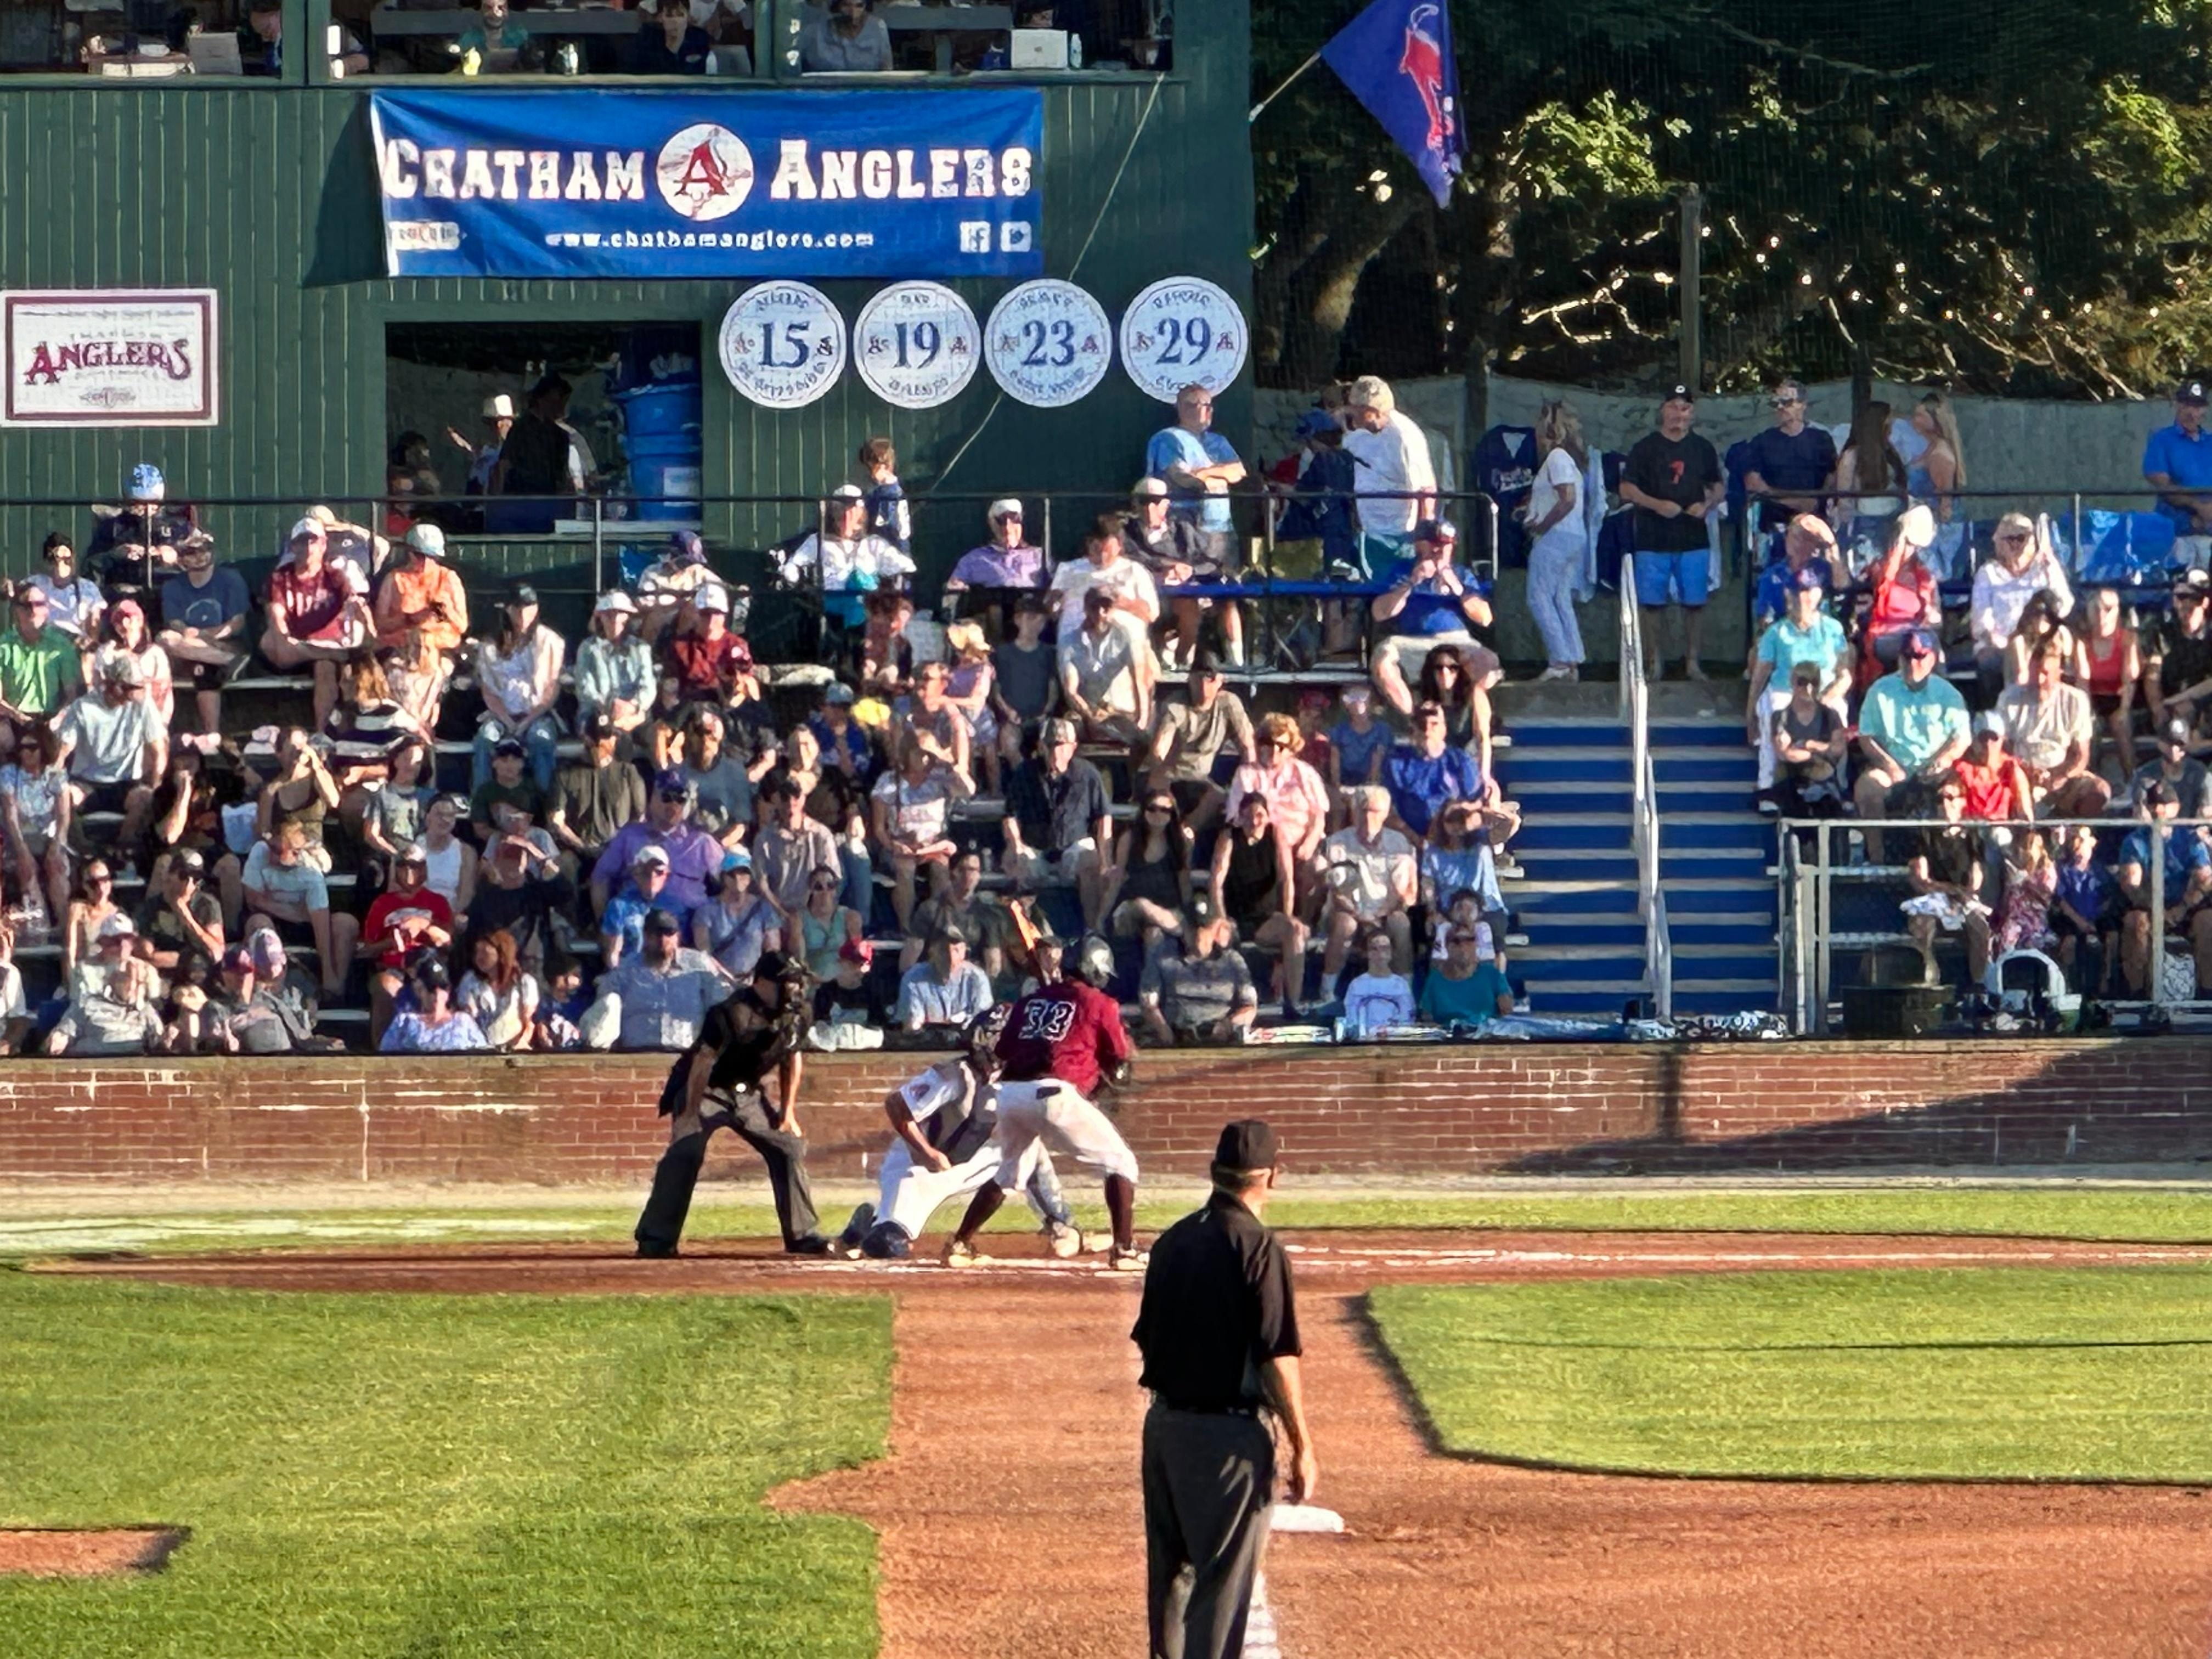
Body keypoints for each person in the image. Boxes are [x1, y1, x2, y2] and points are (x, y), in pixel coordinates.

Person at [1132, 1118, 1314, 1659]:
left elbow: (1148, 1338)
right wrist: (1302, 1443)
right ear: (1273, 1177)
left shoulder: (1173, 1241)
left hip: (1164, 1430)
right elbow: (1278, 1355)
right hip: (1225, 1443)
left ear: (1215, 1173)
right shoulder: (1259, 1248)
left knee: (1169, 1580)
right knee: (1221, 1586)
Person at [940, 932, 1146, 1270]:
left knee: (1010, 1174)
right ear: (1097, 969)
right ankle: (1124, 1250)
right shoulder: (1100, 1003)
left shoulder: (1032, 1000)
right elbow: (1121, 1059)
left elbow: (1004, 1051)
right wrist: (1099, 1084)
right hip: (1054, 1092)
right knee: (1121, 1163)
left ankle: (960, 1243)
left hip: (1010, 1095)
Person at [835, 1008, 1092, 1261]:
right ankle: (867, 1223)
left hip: (967, 1161)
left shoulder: (1015, 1080)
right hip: (919, 1167)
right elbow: (896, 1105)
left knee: (1029, 1149)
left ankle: (1060, 1226)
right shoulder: (956, 1075)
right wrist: (927, 1152)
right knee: (886, 1246)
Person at [633, 952, 831, 1256]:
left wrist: (788, 1111)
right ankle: (656, 1239)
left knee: (787, 1147)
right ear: (763, 983)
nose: (793, 989)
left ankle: (802, 1234)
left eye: (796, 982)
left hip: (747, 1092)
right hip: (705, 1088)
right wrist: (688, 1113)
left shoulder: (798, 1013)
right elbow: (702, 1062)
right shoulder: (731, 1013)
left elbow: (793, 1057)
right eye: (785, 982)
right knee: (686, 1151)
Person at [1617, 384, 1724, 680]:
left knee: (1695, 605)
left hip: (1693, 538)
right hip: (1653, 537)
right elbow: (1626, 488)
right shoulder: (1645, 447)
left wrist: (1707, 504)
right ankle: (1655, 663)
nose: (1680, 413)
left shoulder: (1702, 448)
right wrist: (1657, 505)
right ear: (1663, 410)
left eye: (1686, 408)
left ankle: (1692, 663)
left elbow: (1718, 486)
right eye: (1675, 407)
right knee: (1652, 605)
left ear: (1693, 413)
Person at [1367, 518, 1500, 746]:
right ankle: (1416, 720)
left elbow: (1485, 618)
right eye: (1434, 543)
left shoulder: (1462, 574)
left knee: (1489, 663)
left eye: (1447, 544)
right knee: (1382, 662)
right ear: (1419, 545)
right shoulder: (1403, 570)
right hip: (1411, 640)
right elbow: (1380, 613)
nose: (1440, 549)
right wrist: (1412, 582)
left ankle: (1474, 730)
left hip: (1455, 640)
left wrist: (1457, 587)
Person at [1852, 629, 1971, 861]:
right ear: (1899, 658)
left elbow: (1962, 738)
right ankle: (1878, 863)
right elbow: (1866, 737)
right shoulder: (1880, 691)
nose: (1912, 662)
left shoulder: (1949, 694)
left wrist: (1943, 760)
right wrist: (1889, 765)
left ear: (1933, 658)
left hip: (1938, 771)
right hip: (1893, 769)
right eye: (1907, 656)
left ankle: (1949, 862)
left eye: (1919, 656)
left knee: (1952, 794)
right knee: (1868, 787)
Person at [1747, 569, 1851, 804]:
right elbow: (1760, 676)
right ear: (1788, 595)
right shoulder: (1776, 633)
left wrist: (1824, 699)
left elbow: (1845, 675)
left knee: (1840, 712)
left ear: (1818, 595)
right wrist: (1749, 712)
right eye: (1797, 592)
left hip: (1824, 691)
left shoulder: (1833, 629)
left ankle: (1840, 784)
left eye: (1808, 592)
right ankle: (1768, 786)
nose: (1803, 598)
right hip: (1786, 690)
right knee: (1772, 708)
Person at [1001, 716, 1114, 928]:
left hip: (1073, 844)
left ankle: (1094, 930)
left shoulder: (1088, 774)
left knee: (1091, 861)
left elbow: (1103, 816)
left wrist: (1105, 860)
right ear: (1041, 747)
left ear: (1073, 747)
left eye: (1062, 745)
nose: (1056, 751)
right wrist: (1015, 845)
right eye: (1051, 744)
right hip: (1034, 847)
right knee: (1016, 864)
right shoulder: (1025, 773)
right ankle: (1023, 933)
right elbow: (1010, 816)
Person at [259, 518, 371, 729]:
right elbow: (276, 614)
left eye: (314, 541)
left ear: (324, 545)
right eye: (302, 542)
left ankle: (322, 733)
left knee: (325, 667)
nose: (309, 548)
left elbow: (352, 605)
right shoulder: (280, 578)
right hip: (296, 641)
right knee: (270, 642)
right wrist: (283, 637)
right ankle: (328, 656)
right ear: (293, 547)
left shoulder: (336, 576)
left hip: (327, 641)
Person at [1144, 385, 1246, 610]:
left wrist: (1205, 474)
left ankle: (1235, 645)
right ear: (1183, 408)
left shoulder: (1218, 441)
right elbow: (1182, 478)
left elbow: (1238, 471)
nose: (1208, 412)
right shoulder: (1168, 439)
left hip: (1221, 531)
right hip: (1184, 529)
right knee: (1186, 598)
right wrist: (1216, 476)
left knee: (1227, 597)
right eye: (1201, 406)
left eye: (1210, 406)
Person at [1125, 476, 1241, 672]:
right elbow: (1130, 561)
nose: (1150, 508)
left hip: (1189, 590)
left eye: (1156, 502)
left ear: (1166, 504)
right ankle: (1181, 663)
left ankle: (1237, 661)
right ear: (1136, 504)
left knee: (1227, 598)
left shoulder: (1182, 529)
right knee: (1187, 603)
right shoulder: (1127, 533)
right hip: (1152, 594)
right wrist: (1166, 569)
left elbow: (1208, 561)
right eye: (1145, 502)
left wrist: (1189, 570)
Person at [52, 654, 163, 854]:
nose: (136, 692)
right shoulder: (83, 707)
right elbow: (63, 750)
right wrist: (55, 780)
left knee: (145, 798)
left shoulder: (143, 706)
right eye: (131, 687)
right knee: (64, 796)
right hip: (86, 782)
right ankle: (83, 851)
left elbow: (158, 750)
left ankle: (124, 851)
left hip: (126, 783)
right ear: (115, 685)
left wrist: (155, 785)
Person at [775, 484, 916, 637]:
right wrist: (793, 577)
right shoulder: (817, 541)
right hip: (833, 599)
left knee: (861, 582)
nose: (847, 515)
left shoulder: (873, 544)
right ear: (834, 513)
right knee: (855, 593)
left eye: (852, 510)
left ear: (861, 514)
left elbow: (906, 567)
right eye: (842, 510)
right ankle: (857, 637)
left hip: (870, 601)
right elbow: (794, 565)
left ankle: (861, 638)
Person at [590, 770, 725, 928]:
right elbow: (601, 877)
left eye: (680, 799)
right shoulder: (629, 836)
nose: (673, 805)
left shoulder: (702, 842)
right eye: (667, 797)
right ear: (652, 800)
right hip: (639, 918)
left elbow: (732, 879)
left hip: (688, 922)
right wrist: (604, 925)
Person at [1210, 791, 1306, 1012]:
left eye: (1260, 815)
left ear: (1268, 816)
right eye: (1249, 815)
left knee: (1296, 930)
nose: (1255, 821)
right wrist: (1221, 918)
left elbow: (1287, 879)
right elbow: (1216, 880)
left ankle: (1294, 1003)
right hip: (1236, 914)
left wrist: (1287, 915)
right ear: (1241, 816)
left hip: (1266, 918)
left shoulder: (1276, 835)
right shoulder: (1230, 837)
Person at [241, 820, 359, 996]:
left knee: (346, 924)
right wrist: (296, 913)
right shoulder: (260, 852)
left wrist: (267, 901)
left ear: (295, 853)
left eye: (278, 851)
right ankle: (267, 989)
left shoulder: (311, 872)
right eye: (271, 847)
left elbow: (320, 921)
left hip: (308, 925)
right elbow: (253, 900)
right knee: (259, 923)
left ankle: (334, 986)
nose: (271, 856)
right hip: (275, 920)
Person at [2118, 780, 2212, 996]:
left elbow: (2204, 879)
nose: (2158, 809)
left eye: (2164, 804)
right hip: (2150, 908)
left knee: (2208, 922)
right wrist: (2157, 911)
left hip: (2186, 907)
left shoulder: (2190, 839)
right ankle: (2138, 994)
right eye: (2153, 804)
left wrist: (2182, 908)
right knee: (2135, 923)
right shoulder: (2135, 841)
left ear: (2176, 807)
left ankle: (2207, 993)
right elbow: (2131, 885)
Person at [1997, 641, 2109, 818]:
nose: (2039, 680)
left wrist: (2061, 776)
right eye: (2035, 672)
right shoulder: (2009, 698)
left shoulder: (2075, 700)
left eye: (2045, 673)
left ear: (2060, 673)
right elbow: (2001, 749)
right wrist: (2025, 770)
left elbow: (2082, 755)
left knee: (2099, 791)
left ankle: (2078, 832)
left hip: (2061, 770)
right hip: (2021, 770)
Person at [1146, 652, 1255, 833]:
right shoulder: (1175, 704)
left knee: (1220, 796)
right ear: (1189, 680)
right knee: (1161, 802)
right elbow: (1159, 750)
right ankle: (1181, 836)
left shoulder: (1229, 704)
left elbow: (1248, 746)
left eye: (1210, 679)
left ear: (1220, 681)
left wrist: (1247, 784)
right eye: (1199, 679)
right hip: (1170, 777)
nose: (1204, 685)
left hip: (1200, 781)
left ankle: (1186, 833)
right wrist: (1162, 784)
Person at [1521, 398, 1591, 680]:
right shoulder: (1571, 460)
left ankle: (1559, 660)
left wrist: (1541, 526)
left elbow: (1567, 499)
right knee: (1561, 597)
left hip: (1557, 536)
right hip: (1574, 537)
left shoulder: (1557, 458)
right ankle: (1572, 658)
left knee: (1538, 597)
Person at [471, 584, 565, 794]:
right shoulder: (491, 644)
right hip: (501, 716)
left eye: (529, 608)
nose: (523, 614)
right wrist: (507, 721)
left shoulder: (549, 641)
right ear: (508, 609)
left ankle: (544, 807)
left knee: (541, 740)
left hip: (537, 715)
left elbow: (552, 690)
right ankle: (482, 807)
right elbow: (489, 691)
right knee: (484, 740)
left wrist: (525, 723)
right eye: (518, 608)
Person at [599, 907, 733, 1052]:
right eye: (656, 934)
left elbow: (721, 1008)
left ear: (678, 937)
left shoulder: (700, 966)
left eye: (669, 934)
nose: (663, 940)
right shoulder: (626, 970)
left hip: (686, 1052)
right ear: (645, 936)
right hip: (637, 1053)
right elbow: (604, 1009)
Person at [1970, 516, 2073, 706]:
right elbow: (1981, 620)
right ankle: (2016, 713)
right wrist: (1997, 638)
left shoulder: (2046, 568)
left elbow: (2064, 606)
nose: (2017, 544)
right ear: (1999, 542)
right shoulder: (1989, 573)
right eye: (2011, 539)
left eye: (2022, 538)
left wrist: (2050, 570)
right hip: (2001, 643)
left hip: (2041, 639)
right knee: (2009, 650)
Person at [1223, 714, 1330, 896]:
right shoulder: (1246, 774)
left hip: (1301, 845)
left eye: (1282, 746)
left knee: (1317, 867)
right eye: (1268, 743)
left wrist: (1309, 844)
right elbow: (1235, 817)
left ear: (1292, 749)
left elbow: (1319, 814)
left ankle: (1303, 920)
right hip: (1262, 847)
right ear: (1259, 744)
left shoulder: (1305, 773)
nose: (1274, 750)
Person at [1339, 374, 1437, 569]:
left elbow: (1427, 489)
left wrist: (1424, 537)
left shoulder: (1405, 437)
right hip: (1370, 532)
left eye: (1357, 409)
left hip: (1399, 537)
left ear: (1372, 411)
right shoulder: (1362, 436)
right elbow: (1348, 445)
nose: (1352, 413)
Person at [1319, 786, 1418, 978]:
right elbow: (1337, 893)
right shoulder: (1337, 843)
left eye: (1375, 812)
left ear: (1386, 813)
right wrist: (1359, 915)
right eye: (1363, 811)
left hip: (1387, 910)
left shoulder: (1400, 843)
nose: (1368, 818)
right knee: (1345, 924)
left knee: (1401, 923)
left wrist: (1381, 916)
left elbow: (1407, 892)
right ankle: (1327, 990)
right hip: (1348, 911)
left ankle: (1405, 987)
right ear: (1354, 812)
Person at [156, 534, 251, 733]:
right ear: (181, 559)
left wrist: (205, 636)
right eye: (191, 552)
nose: (199, 556)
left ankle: (212, 736)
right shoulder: (172, 587)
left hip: (227, 642)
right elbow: (177, 625)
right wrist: (200, 638)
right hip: (193, 648)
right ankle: (230, 661)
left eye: (204, 549)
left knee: (203, 669)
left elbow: (236, 623)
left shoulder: (230, 579)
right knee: (164, 639)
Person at [360, 843, 453, 1045]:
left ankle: (436, 1047)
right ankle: (381, 1049)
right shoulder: (382, 904)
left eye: (415, 865)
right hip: (394, 967)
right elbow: (365, 950)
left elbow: (448, 940)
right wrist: (389, 943)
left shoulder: (438, 903)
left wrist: (423, 926)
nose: (409, 871)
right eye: (403, 865)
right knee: (386, 986)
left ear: (425, 869)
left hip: (429, 966)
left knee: (435, 988)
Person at [1901, 775, 1991, 985]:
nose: (1945, 804)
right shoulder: (1925, 834)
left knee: (1981, 929)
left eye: (1951, 797)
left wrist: (1961, 895)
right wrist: (1950, 890)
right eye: (1940, 799)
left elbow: (1976, 880)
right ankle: (1928, 985)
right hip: (1934, 898)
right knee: (1922, 926)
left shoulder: (1973, 837)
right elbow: (1921, 880)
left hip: (1963, 898)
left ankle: (1978, 988)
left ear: (1962, 801)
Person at [546, 713, 646, 891]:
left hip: (620, 848)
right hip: (581, 847)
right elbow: (557, 821)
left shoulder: (628, 773)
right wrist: (582, 846)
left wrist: (618, 847)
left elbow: (640, 818)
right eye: (597, 739)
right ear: (587, 740)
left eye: (608, 738)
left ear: (615, 739)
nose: (603, 744)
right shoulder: (565, 775)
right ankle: (567, 916)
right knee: (564, 864)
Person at [1139, 897, 1256, 1044]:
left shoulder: (1233, 961)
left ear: (1215, 929)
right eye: (1193, 928)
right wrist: (1163, 1029)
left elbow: (1250, 1006)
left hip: (1221, 1036)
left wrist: (1228, 1025)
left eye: (1205, 928)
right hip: (1178, 1036)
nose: (1199, 935)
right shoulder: (1162, 956)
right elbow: (1148, 1003)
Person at [1740, 380, 1838, 547]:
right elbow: (1752, 481)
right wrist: (1791, 501)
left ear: (1803, 405)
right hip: (1775, 526)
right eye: (1776, 403)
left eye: (1786, 402)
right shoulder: (1763, 441)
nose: (1780, 408)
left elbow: (1833, 476)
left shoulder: (1821, 439)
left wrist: (1818, 500)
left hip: (1815, 525)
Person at [1383, 700, 1488, 840]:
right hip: (1411, 839)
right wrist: (1415, 839)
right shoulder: (1397, 763)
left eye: (1434, 724)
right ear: (1413, 729)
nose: (1427, 731)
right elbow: (1389, 810)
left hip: (1456, 835)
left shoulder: (1460, 760)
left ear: (1444, 729)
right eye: (1421, 725)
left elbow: (1475, 802)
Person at [1, 724, 73, 928]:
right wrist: (22, 850)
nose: (26, 753)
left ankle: (64, 928)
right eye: (23, 747)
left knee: (56, 868)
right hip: (19, 839)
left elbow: (63, 815)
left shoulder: (56, 775)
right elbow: (10, 815)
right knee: (27, 870)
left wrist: (57, 846)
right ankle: (39, 928)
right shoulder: (9, 774)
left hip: (50, 838)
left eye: (32, 747)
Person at [0, 585, 81, 759]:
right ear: (17, 610)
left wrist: (58, 718)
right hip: (13, 718)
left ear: (47, 609)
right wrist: (17, 716)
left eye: (39, 604)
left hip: (52, 718)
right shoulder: (3, 646)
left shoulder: (62, 645)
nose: (33, 610)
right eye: (27, 605)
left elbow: (70, 693)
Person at [944, 499, 1046, 627]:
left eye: (1015, 519)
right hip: (991, 611)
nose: (1008, 527)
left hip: (1029, 610)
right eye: (1002, 521)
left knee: (1028, 610)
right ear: (992, 524)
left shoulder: (1039, 556)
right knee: (994, 610)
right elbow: (953, 588)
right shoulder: (975, 558)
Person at [2076, 584, 2143, 776]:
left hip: (2119, 695)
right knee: (2088, 729)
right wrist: (2086, 714)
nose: (2101, 616)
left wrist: (2124, 709)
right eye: (2096, 609)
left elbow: (2130, 679)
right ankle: (2090, 780)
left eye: (2108, 610)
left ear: (2117, 612)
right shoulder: (2082, 641)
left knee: (2121, 725)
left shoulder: (2128, 639)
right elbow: (2082, 681)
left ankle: (2133, 779)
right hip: (2091, 696)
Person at [1831, 400, 1910, 563]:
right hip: (1866, 526)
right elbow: (1844, 499)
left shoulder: (1890, 451)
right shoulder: (1852, 456)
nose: (1892, 428)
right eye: (1889, 423)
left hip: (1894, 520)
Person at [2145, 378, 2212, 563]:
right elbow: (2162, 483)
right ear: (2178, 405)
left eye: (2198, 407)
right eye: (2188, 405)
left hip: (2209, 535)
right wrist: (2199, 508)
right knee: (2178, 587)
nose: (2193, 413)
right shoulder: (2162, 440)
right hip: (2178, 535)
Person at [132, 848, 224, 983]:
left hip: (198, 975)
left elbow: (216, 953)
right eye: (184, 876)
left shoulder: (207, 905)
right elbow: (146, 955)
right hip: (159, 977)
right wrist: (186, 958)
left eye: (196, 878)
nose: (190, 883)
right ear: (169, 876)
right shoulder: (150, 907)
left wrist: (186, 916)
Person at [2053, 821, 2121, 995]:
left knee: (2112, 936)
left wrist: (2095, 918)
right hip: (2072, 918)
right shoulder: (2063, 870)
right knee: (2069, 941)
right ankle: (2066, 984)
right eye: (2075, 840)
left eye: (2083, 840)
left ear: (2092, 842)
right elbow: (2061, 901)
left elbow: (2109, 898)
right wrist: (2081, 922)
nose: (2078, 845)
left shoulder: (2099, 870)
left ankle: (2106, 981)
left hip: (2096, 917)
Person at [574, 591, 655, 733]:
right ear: (600, 617)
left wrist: (633, 706)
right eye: (609, 614)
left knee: (657, 734)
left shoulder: (641, 648)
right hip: (598, 712)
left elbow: (648, 687)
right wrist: (611, 705)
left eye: (620, 613)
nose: (615, 619)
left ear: (628, 617)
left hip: (634, 712)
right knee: (603, 733)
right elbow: (585, 689)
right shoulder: (587, 648)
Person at [2145, 568, 2212, 737]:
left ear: (2205, 602)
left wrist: (2181, 701)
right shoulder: (2163, 633)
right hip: (2170, 705)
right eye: (2182, 597)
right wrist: (2157, 706)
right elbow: (2153, 676)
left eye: (2195, 598)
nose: (2187, 604)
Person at [695, 848, 780, 979]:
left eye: (744, 873)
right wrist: (722, 975)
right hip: (717, 980)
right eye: (732, 874)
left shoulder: (763, 908)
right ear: (723, 877)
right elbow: (704, 951)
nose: (738, 878)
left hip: (753, 981)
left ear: (751, 876)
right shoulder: (706, 910)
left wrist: (760, 976)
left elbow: (773, 948)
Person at [1907, 392, 1968, 573]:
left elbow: (1945, 502)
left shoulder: (1940, 455)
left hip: (1934, 533)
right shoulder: (1932, 448)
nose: (1914, 420)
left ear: (1935, 420)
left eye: (1920, 415)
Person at [1750, 513, 1839, 635]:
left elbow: (1843, 585)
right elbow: (1764, 619)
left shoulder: (1823, 569)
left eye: (1806, 539)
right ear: (1787, 539)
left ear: (1814, 545)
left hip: (1821, 636)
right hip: (1785, 638)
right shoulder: (1772, 575)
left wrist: (1832, 543)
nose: (1799, 544)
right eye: (1795, 537)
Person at [380, 956, 490, 1053]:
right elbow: (384, 1059)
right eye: (431, 990)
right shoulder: (404, 1022)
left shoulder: (464, 1022)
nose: (437, 996)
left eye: (443, 988)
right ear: (419, 990)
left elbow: (485, 1058)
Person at [895, 928, 995, 1033]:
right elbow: (912, 1025)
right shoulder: (914, 978)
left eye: (957, 950)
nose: (951, 957)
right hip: (927, 1043)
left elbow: (984, 1019)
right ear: (932, 951)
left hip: (968, 1042)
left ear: (964, 952)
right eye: (944, 950)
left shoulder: (977, 978)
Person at [455, 928, 540, 1052]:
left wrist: (518, 1047)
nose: (479, 957)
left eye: (485, 952)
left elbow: (528, 1022)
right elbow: (467, 1018)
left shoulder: (524, 983)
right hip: (479, 1050)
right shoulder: (471, 981)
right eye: (477, 952)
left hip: (516, 1050)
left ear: (502, 953)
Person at [1419, 921, 1514, 1026]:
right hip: (1448, 1039)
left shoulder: (1492, 974)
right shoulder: (1435, 980)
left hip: (1484, 1037)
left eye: (1470, 940)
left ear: (1476, 944)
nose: (1463, 946)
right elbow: (1427, 1018)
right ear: (1446, 946)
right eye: (1456, 941)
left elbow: (1507, 1013)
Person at [1951, 712, 2034, 825]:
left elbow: (2022, 791)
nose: (1988, 744)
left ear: (2003, 739)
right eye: (1983, 738)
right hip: (1971, 828)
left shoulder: (2011, 765)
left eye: (1994, 738)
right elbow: (1954, 793)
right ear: (1974, 741)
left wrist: (2025, 815)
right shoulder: (1962, 767)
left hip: (2004, 829)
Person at [2126, 716, 2212, 818]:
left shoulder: (2200, 773)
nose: (2174, 749)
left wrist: (2203, 822)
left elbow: (2207, 813)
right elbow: (2140, 814)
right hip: (2155, 831)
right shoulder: (2145, 775)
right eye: (2169, 743)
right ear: (2160, 744)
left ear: (2188, 745)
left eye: (2180, 744)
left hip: (2191, 831)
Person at [1340, 925, 1414, 1033]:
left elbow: (1407, 1021)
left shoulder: (1402, 985)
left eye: (1385, 948)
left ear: (1392, 953)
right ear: (1367, 953)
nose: (1381, 954)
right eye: (1374, 949)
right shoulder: (1356, 985)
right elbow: (1352, 1021)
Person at [445, 393, 516, 497]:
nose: (504, 426)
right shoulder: (484, 454)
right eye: (498, 422)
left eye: (508, 422)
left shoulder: (513, 453)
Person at [798, 0, 890, 69]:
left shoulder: (878, 27)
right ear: (837, 7)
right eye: (846, 5)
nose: (853, 12)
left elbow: (886, 69)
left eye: (859, 6)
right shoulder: (815, 31)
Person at [629, 0, 713, 69]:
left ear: (688, 18)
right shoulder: (647, 41)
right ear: (660, 18)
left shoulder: (700, 40)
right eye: (669, 16)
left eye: (680, 15)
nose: (675, 21)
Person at [457, 0, 533, 70]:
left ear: (508, 11)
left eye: (501, 7)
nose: (495, 13)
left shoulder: (520, 36)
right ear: (481, 11)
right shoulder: (469, 37)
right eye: (488, 8)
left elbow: (533, 65)